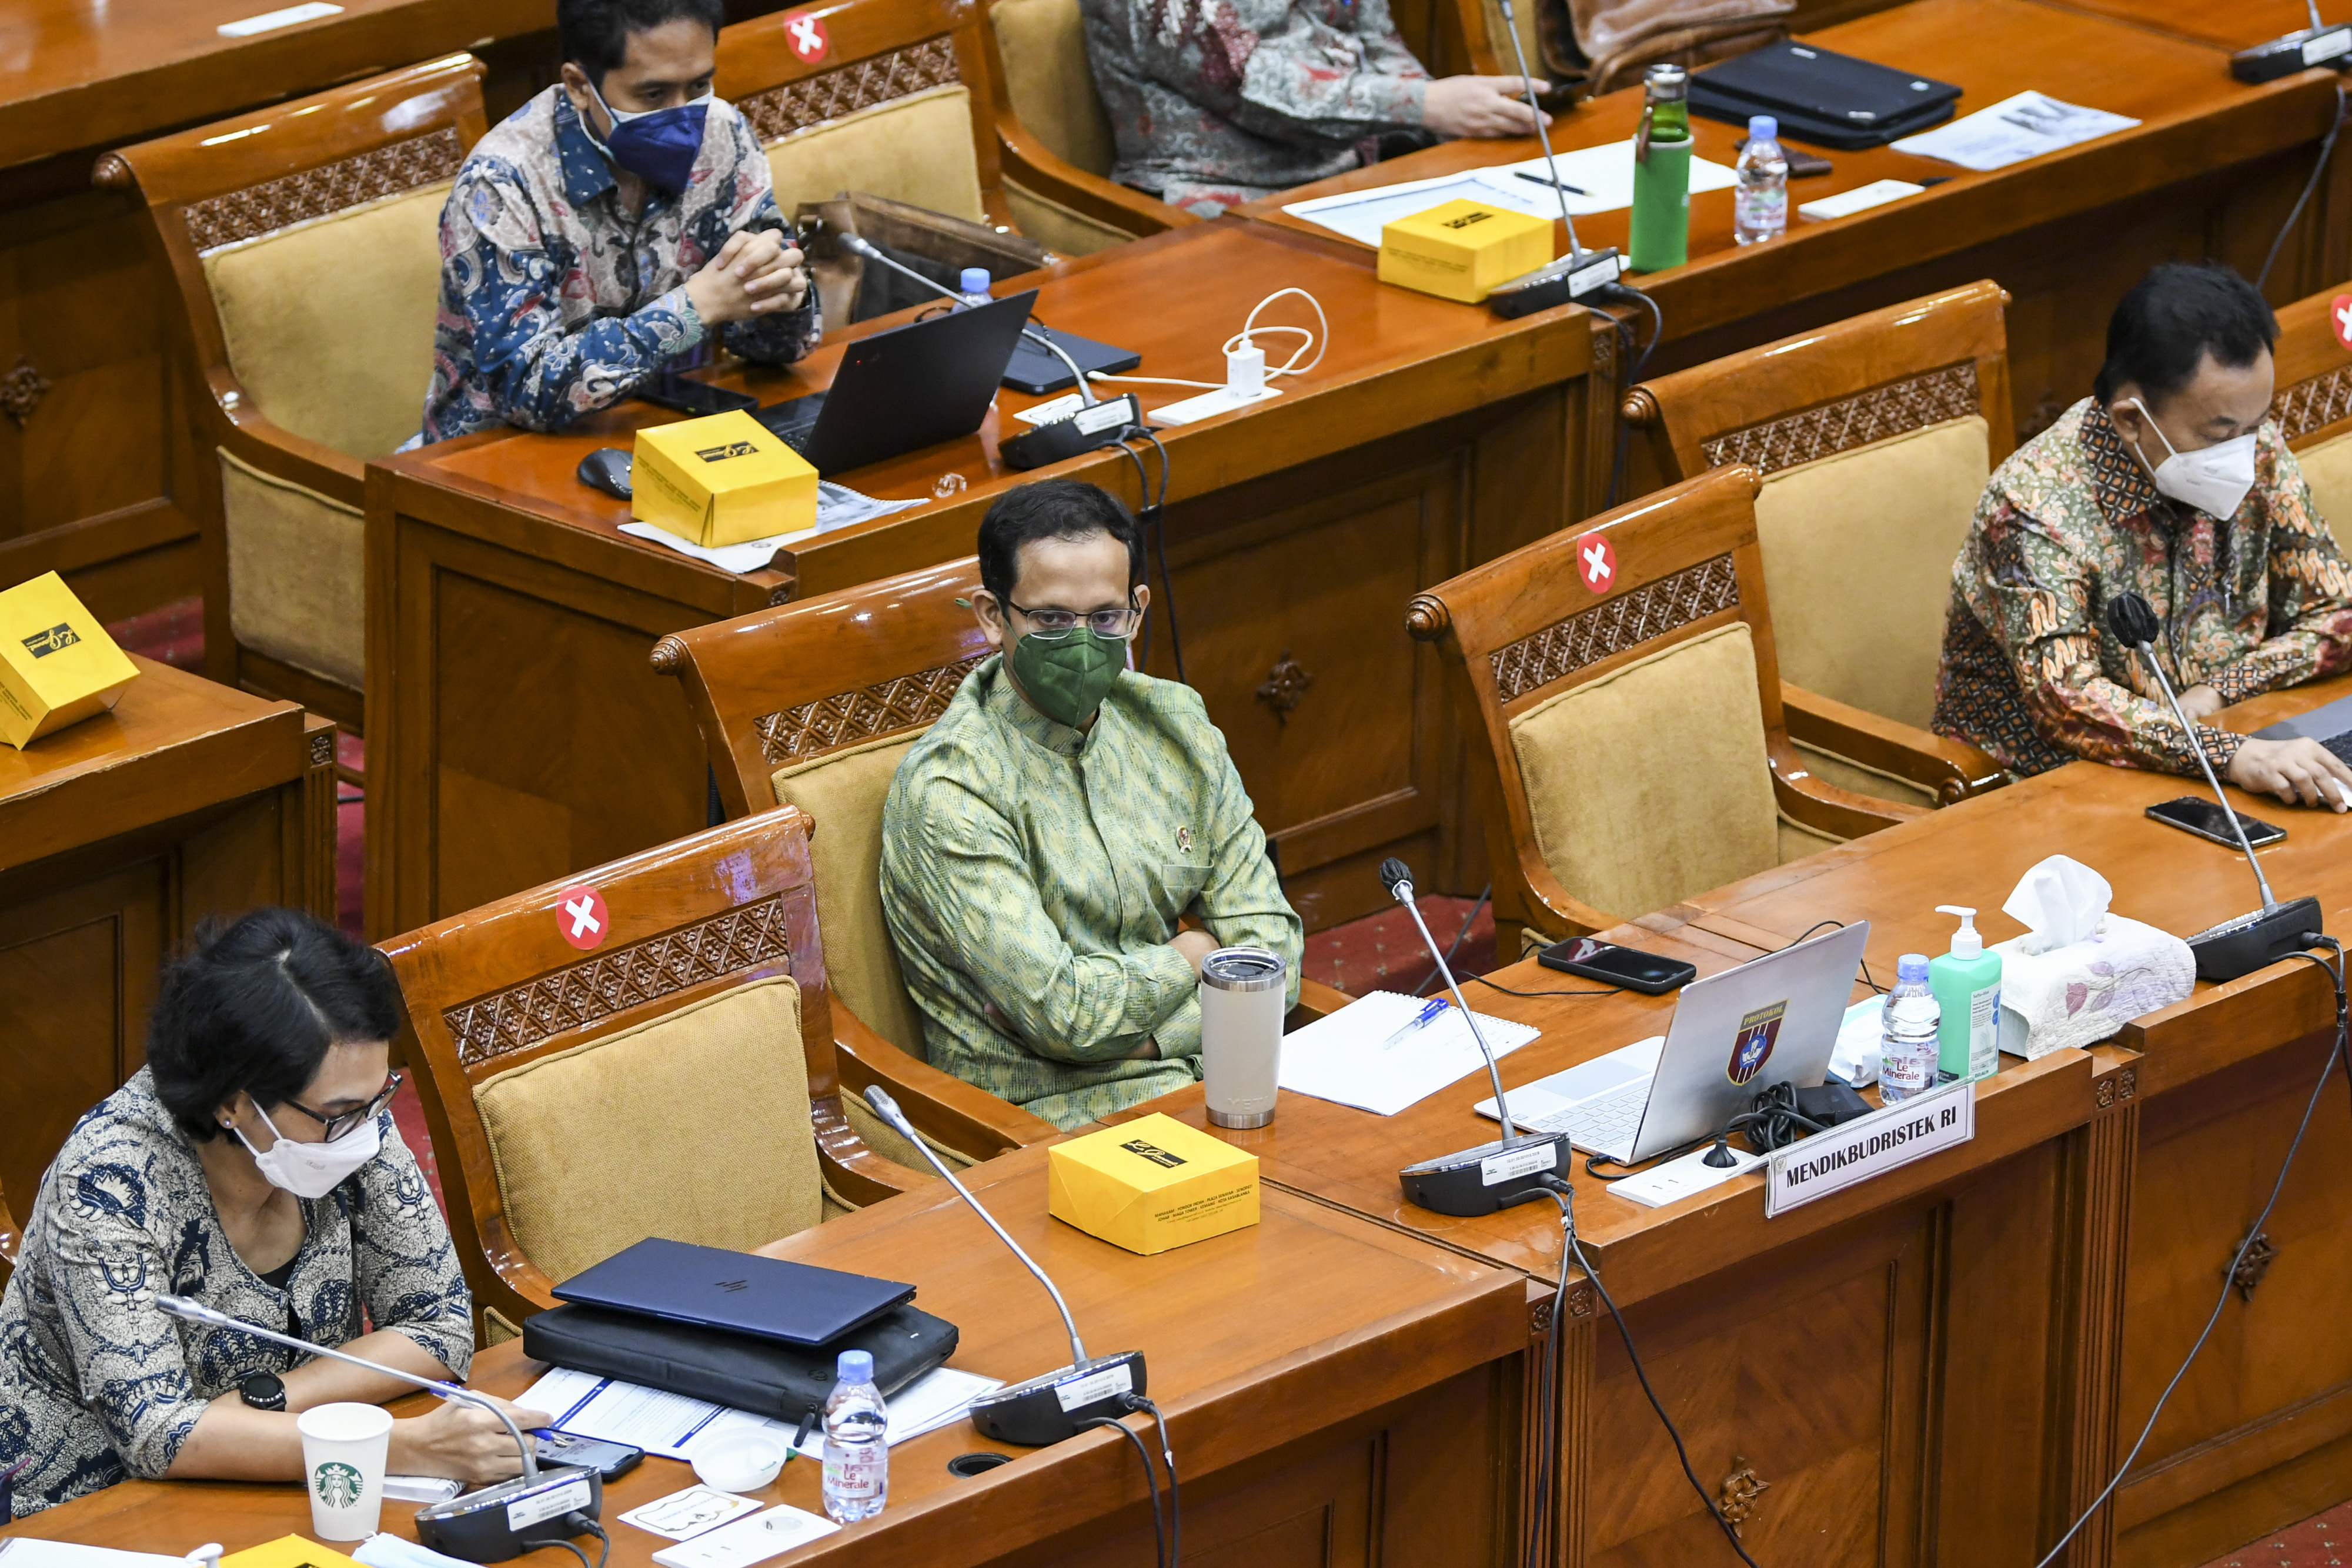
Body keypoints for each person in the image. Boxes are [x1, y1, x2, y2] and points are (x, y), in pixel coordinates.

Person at [0, 910, 544, 1519]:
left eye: (379, 1100)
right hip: (97, 1513)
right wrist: (408, 1447)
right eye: (340, 1113)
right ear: (234, 1102)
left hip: (295, 1476)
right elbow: (157, 1435)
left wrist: (268, 1401)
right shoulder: (108, 1181)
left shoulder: (348, 1112)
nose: (367, 1132)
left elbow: (438, 1327)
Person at [880, 480, 1304, 1128]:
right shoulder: (952, 791)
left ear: (1137, 609)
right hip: (1052, 1117)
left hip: (1221, 1069)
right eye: (1051, 619)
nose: (1083, 643)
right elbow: (1065, 1017)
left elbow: (1275, 957)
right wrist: (1191, 958)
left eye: (1105, 618)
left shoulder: (1175, 725)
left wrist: (1154, 1040)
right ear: (993, 616)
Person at [1933, 261, 2352, 810]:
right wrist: (2230, 754)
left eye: (2255, 426)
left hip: (2227, 751)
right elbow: (2071, 702)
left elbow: (2337, 613)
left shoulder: (2258, 448)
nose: (2247, 453)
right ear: (2132, 421)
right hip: (2052, 797)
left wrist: (2221, 691)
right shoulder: (2035, 504)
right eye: (2221, 434)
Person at [409, 0, 816, 445]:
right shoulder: (502, 185)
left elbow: (774, 346)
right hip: (496, 460)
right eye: (654, 95)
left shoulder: (723, 134)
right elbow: (523, 390)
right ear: (580, 85)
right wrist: (695, 308)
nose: (684, 117)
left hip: (670, 430)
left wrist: (782, 298)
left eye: (700, 85)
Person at [1081, 0, 1555, 215]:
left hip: (1352, 175)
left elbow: (1373, 37)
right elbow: (1248, 83)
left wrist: (1453, 117)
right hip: (1223, 198)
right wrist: (1425, 105)